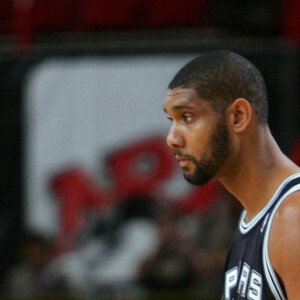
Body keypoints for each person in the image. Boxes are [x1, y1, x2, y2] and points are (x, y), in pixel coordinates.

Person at [163, 50, 300, 300]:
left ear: (238, 116)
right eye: (172, 120)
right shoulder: (252, 220)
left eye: (188, 117)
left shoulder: (293, 218)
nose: (172, 138)